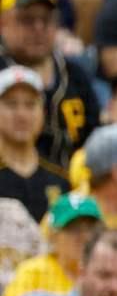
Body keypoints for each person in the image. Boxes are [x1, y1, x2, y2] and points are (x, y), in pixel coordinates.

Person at [0, 66, 67, 224]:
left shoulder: (60, 177)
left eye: (30, 105)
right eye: (11, 104)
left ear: (43, 113)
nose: (21, 115)